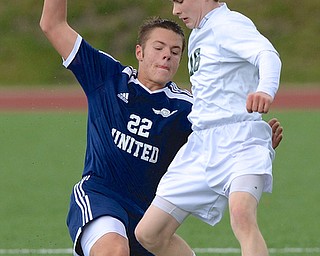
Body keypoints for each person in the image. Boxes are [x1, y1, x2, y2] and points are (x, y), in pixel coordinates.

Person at [40, 1, 283, 255]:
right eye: (158, 47)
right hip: (101, 197)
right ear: (139, 52)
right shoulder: (107, 77)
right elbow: (52, 24)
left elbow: (222, 137)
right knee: (114, 250)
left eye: (176, 51)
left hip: (144, 215)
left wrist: (255, 140)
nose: (167, 55)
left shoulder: (188, 109)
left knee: (151, 235)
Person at [135, 1, 282, 256]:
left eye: (179, 1)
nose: (175, 10)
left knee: (242, 215)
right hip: (201, 147)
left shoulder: (229, 24)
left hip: (241, 142)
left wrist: (265, 90)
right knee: (149, 234)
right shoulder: (197, 35)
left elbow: (267, 54)